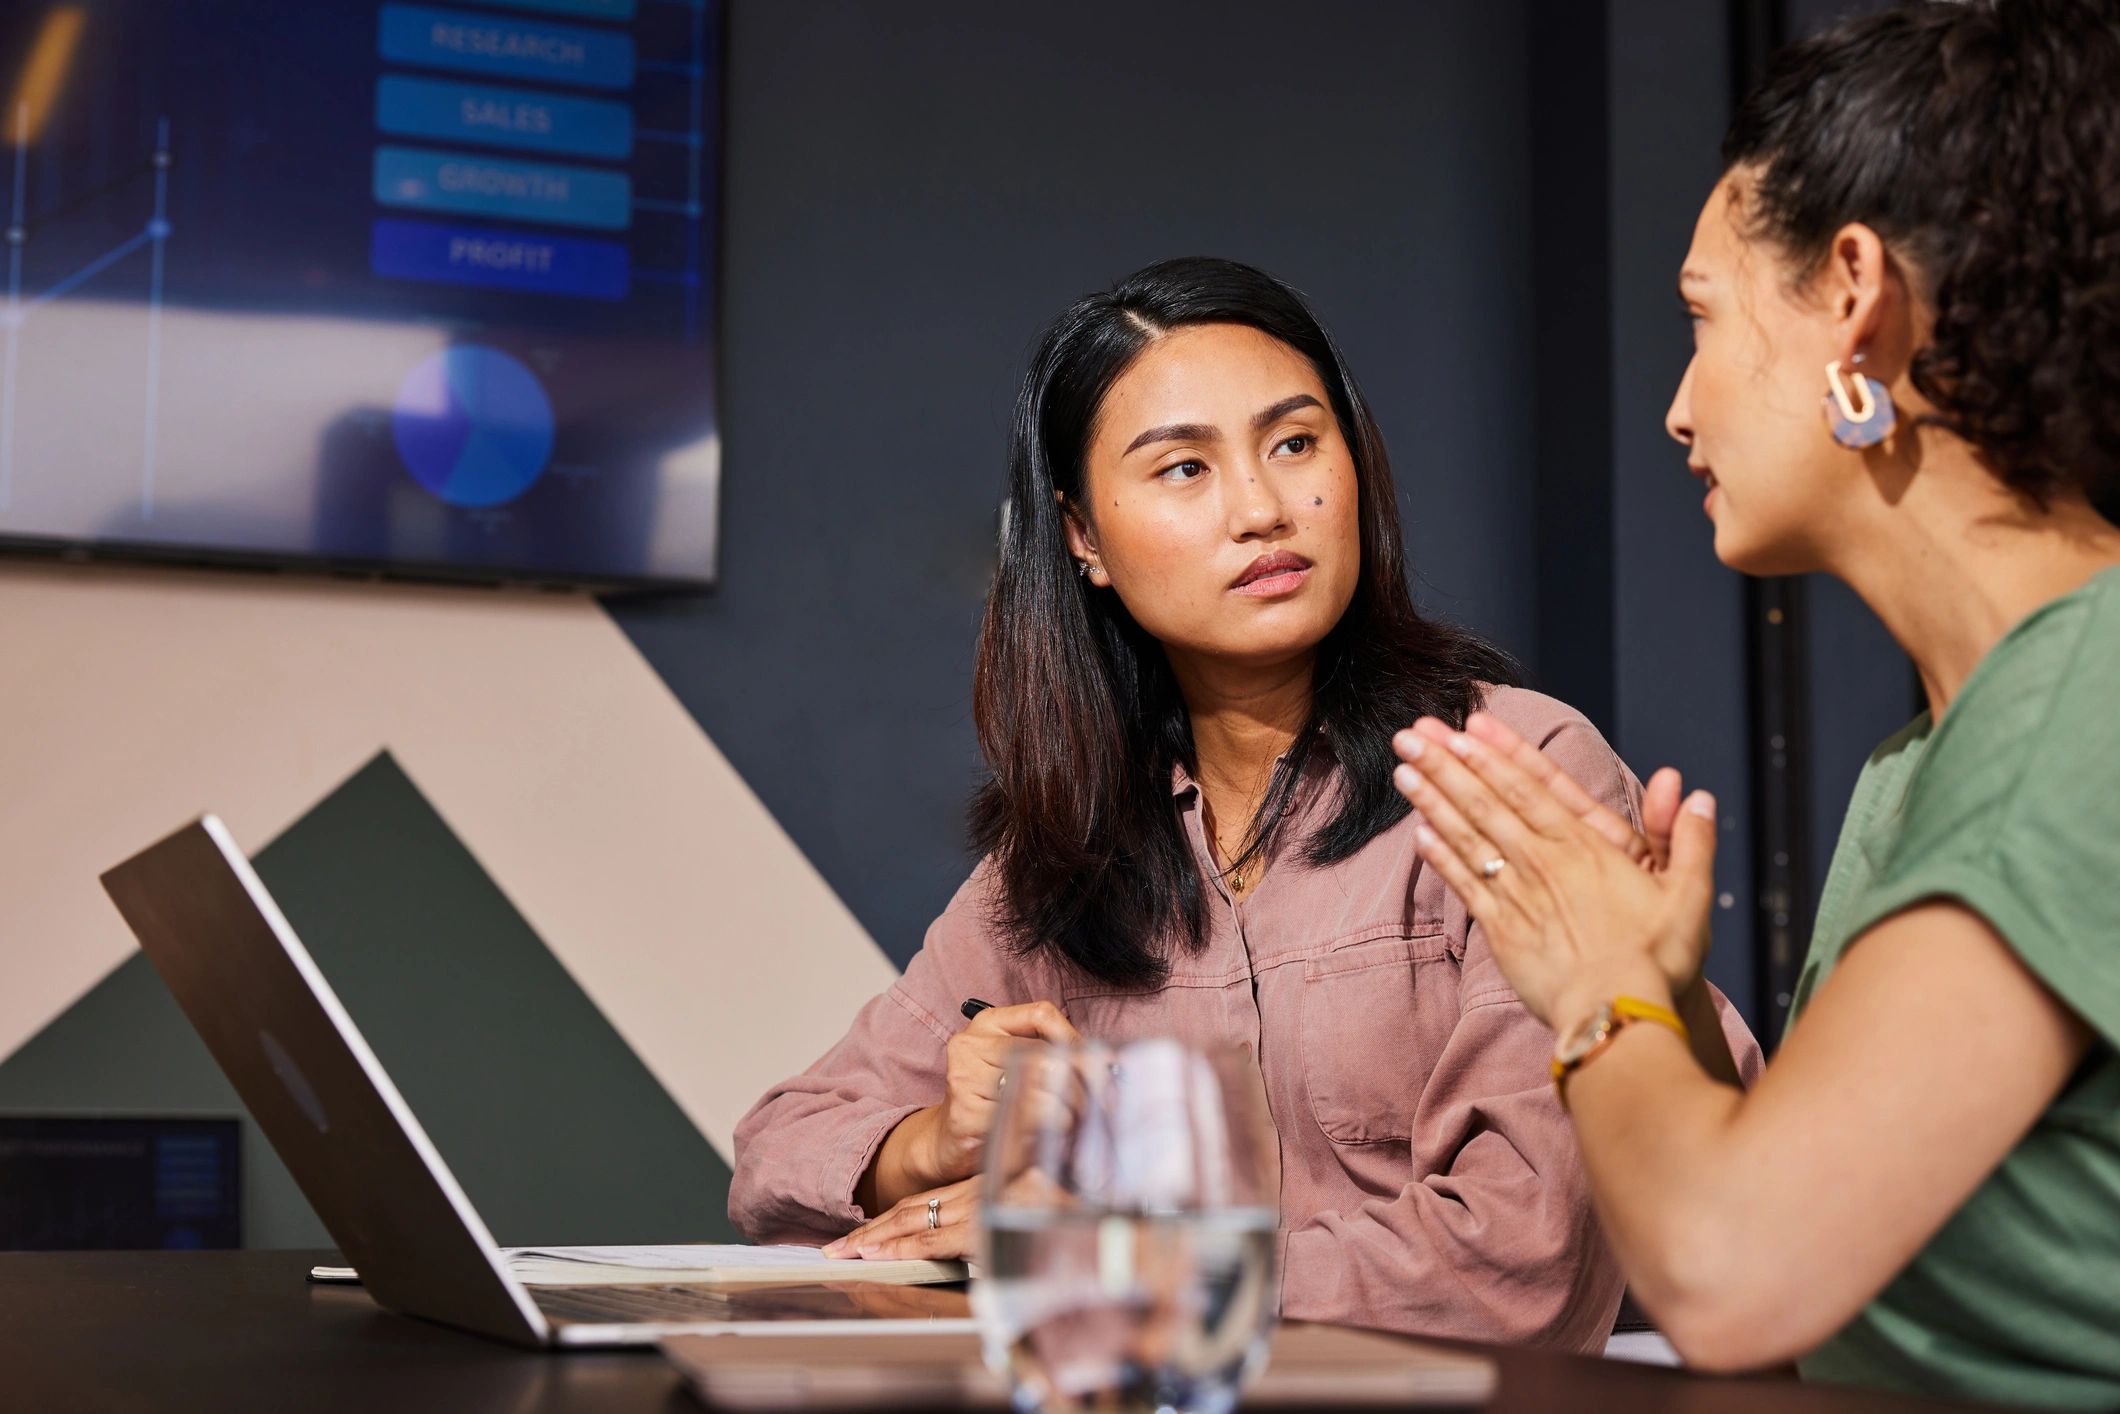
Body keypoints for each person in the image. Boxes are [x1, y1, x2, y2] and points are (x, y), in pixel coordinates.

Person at [728, 256, 1761, 1349]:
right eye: (1182, 468)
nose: (1263, 508)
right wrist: (937, 1142)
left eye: (1295, 443)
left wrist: (1100, 1259)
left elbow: (1515, 1263)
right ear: (1083, 538)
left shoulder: (1511, 769)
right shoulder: (1066, 851)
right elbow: (774, 1159)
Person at [1389, 0, 2120, 1403]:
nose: (1677, 407)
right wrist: (1655, 1009)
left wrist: (1597, 989)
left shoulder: (2083, 704)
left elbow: (1734, 1273)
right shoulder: (1924, 763)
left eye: (1702, 320)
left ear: (1856, 295)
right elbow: (1833, 1281)